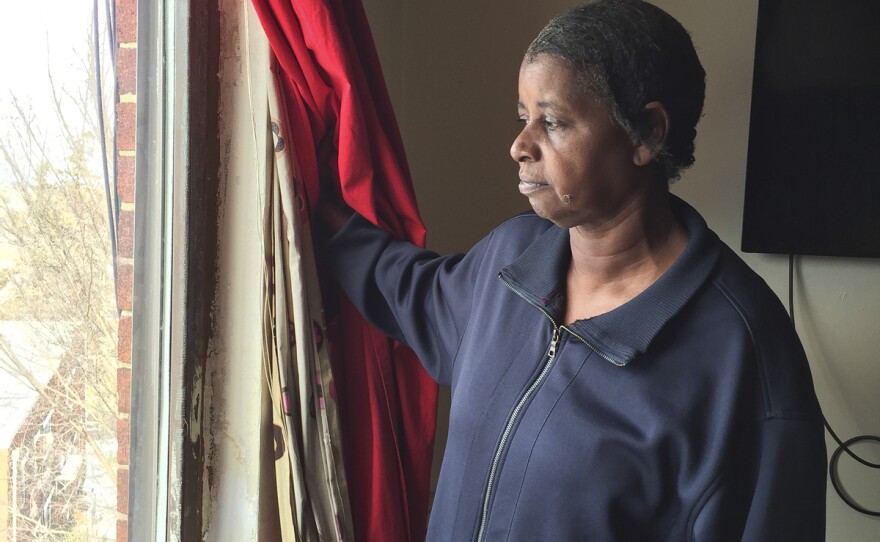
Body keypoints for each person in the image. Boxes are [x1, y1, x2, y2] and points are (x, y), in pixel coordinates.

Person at [319, 0, 827, 540]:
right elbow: (407, 290)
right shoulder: (510, 259)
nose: (519, 146)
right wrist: (313, 203)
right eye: (524, 118)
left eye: (554, 122)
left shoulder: (744, 358)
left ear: (647, 134)